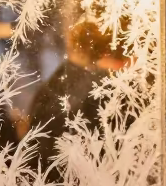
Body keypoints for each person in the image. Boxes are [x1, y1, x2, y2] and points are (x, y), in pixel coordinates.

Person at [25, 20, 129, 176]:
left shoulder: (57, 84)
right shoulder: (104, 86)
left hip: (55, 175)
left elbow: (38, 138)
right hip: (89, 177)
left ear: (71, 44)